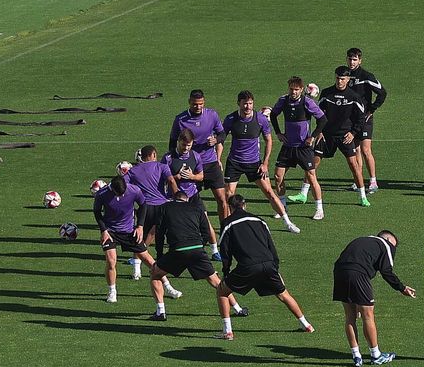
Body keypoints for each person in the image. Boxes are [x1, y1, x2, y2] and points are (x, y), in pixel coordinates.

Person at [215, 194, 312, 340]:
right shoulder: (259, 220)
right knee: (283, 294)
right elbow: (270, 245)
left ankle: (227, 331)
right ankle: (306, 324)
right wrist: (275, 266)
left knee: (222, 291)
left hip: (247, 266)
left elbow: (225, 251)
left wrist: (226, 271)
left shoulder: (228, 223)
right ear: (244, 204)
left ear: (230, 208)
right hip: (268, 264)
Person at [145, 187, 247, 323]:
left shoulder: (164, 208)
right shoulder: (196, 208)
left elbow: (160, 232)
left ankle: (161, 311)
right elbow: (206, 231)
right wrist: (201, 245)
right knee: (215, 281)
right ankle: (238, 309)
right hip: (197, 249)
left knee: (155, 273)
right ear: (186, 199)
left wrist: (160, 255)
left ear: (174, 199)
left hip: (178, 250)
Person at [332, 231, 415, 366]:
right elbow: (386, 271)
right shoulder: (385, 244)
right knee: (368, 315)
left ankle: (356, 355)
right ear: (387, 239)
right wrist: (402, 288)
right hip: (358, 273)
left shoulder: (361, 239)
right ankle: (376, 355)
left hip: (339, 271)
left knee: (350, 316)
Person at [220, 91, 299, 234]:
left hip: (254, 164)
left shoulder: (260, 119)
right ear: (239, 103)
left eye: (250, 103)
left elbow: (269, 140)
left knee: (269, 192)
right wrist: (218, 159)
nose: (247, 106)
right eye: (245, 103)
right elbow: (221, 140)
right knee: (228, 195)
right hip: (234, 163)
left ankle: (287, 222)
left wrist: (265, 163)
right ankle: (229, 226)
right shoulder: (231, 119)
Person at [92, 175, 155, 305]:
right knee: (111, 261)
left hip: (128, 231)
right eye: (117, 194)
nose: (120, 196)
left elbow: (143, 205)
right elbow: (97, 212)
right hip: (110, 232)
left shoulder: (134, 190)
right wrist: (103, 230)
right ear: (112, 189)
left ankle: (168, 286)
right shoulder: (102, 194)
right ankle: (112, 291)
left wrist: (140, 226)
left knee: (147, 259)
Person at [169, 89, 230, 220]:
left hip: (210, 163)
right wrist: (175, 163)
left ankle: (225, 230)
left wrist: (216, 140)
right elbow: (172, 143)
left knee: (222, 199)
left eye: (201, 104)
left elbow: (222, 134)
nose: (198, 107)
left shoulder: (212, 115)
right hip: (191, 165)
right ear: (189, 102)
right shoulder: (180, 119)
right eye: (195, 104)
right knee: (185, 201)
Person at [271, 77, 326, 222]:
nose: (293, 92)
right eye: (291, 89)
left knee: (311, 177)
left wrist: (313, 136)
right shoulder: (283, 101)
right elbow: (273, 114)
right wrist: (278, 132)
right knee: (278, 176)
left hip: (303, 147)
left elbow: (322, 119)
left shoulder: (307, 102)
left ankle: (319, 209)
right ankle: (282, 207)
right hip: (288, 146)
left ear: (302, 90)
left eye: (296, 89)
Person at [315, 67, 372, 207]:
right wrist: (319, 131)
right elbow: (319, 113)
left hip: (345, 135)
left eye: (342, 79)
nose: (339, 81)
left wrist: (353, 133)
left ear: (348, 80)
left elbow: (361, 118)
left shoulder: (354, 97)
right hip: (327, 135)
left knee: (354, 165)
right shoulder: (326, 93)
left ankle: (362, 196)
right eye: (337, 78)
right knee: (312, 163)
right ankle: (304, 193)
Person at [125, 143, 174, 280]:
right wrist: (176, 195)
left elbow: (124, 185)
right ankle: (158, 261)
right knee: (157, 234)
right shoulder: (161, 166)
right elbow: (170, 180)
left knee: (139, 236)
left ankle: (136, 270)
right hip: (161, 206)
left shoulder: (133, 171)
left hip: (144, 207)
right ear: (152, 155)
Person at [345, 48, 387, 193]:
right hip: (350, 119)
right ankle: (359, 181)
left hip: (364, 118)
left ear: (360, 60)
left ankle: (373, 181)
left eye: (355, 59)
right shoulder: (345, 76)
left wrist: (371, 110)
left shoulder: (366, 76)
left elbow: (382, 92)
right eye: (350, 59)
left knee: (365, 149)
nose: (352, 62)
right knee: (355, 150)